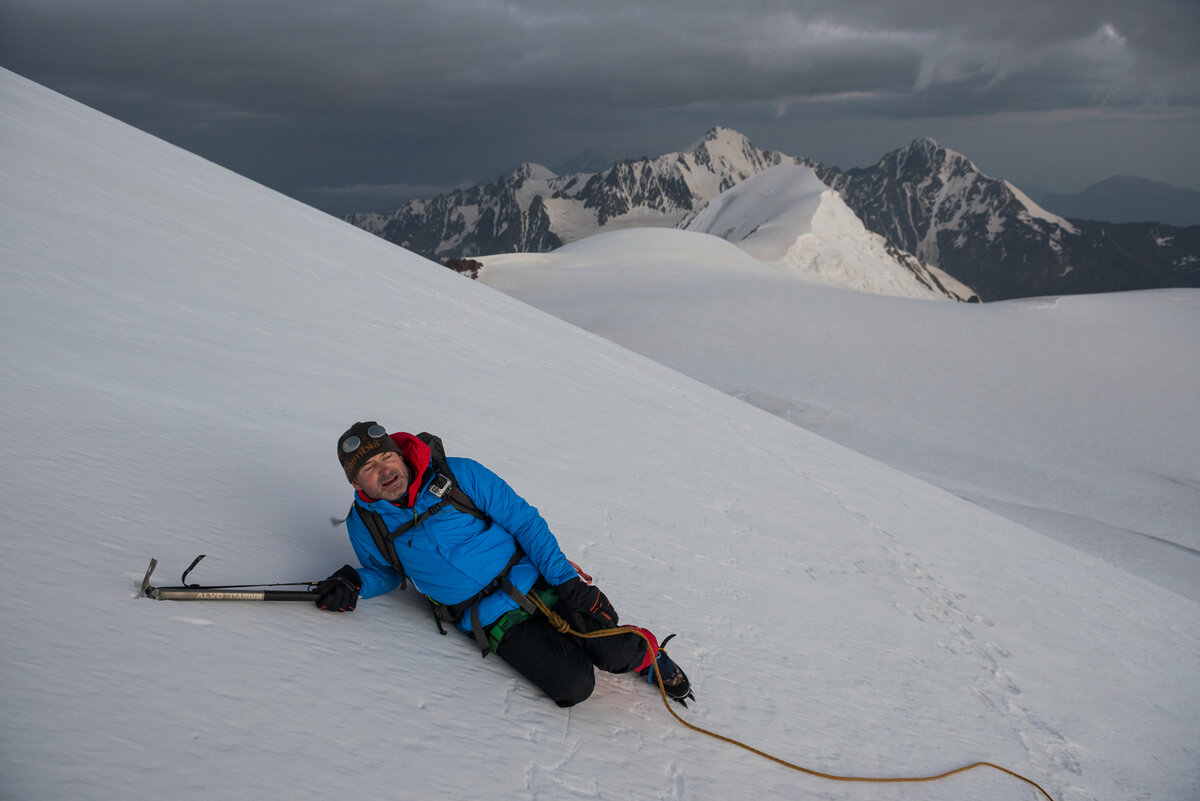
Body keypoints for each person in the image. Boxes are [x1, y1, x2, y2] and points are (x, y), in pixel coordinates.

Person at [315, 421, 692, 708]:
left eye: (387, 457)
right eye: (369, 468)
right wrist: (355, 583)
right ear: (355, 481)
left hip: (537, 578)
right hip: (489, 616)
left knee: (614, 653)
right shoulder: (365, 523)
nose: (385, 470)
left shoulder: (460, 474)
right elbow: (387, 572)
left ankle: (649, 657)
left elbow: (524, 521)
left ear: (399, 454)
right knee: (573, 688)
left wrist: (567, 583)